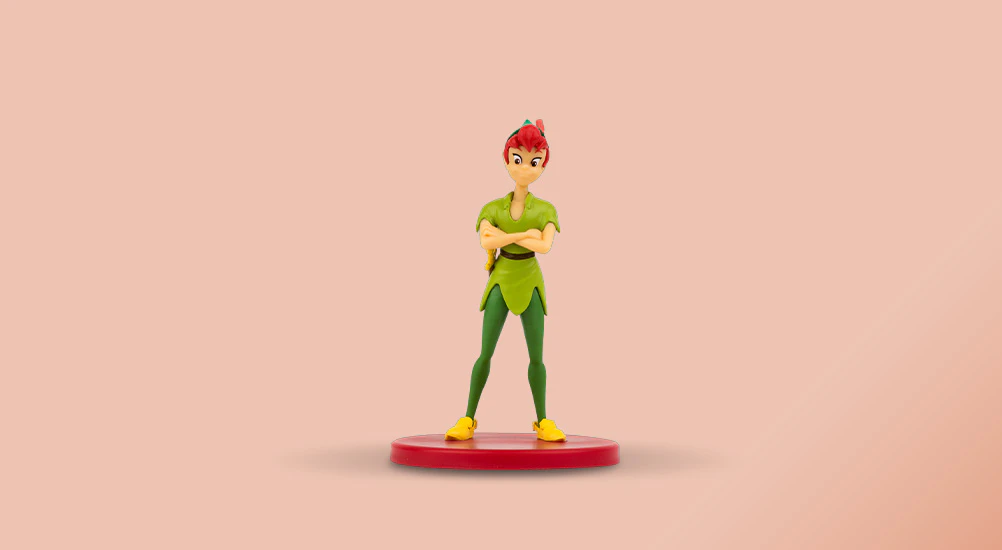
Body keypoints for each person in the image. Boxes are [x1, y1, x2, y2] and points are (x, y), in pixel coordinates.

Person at [444, 119, 566, 442]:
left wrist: (508, 236)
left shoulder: (545, 209)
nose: (525, 168)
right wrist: (524, 234)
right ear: (507, 159)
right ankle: (467, 418)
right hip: (500, 279)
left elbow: (545, 245)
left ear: (543, 165)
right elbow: (486, 240)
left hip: (531, 280)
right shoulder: (493, 207)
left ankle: (543, 420)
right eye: (518, 159)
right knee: (485, 353)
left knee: (537, 357)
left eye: (534, 161)